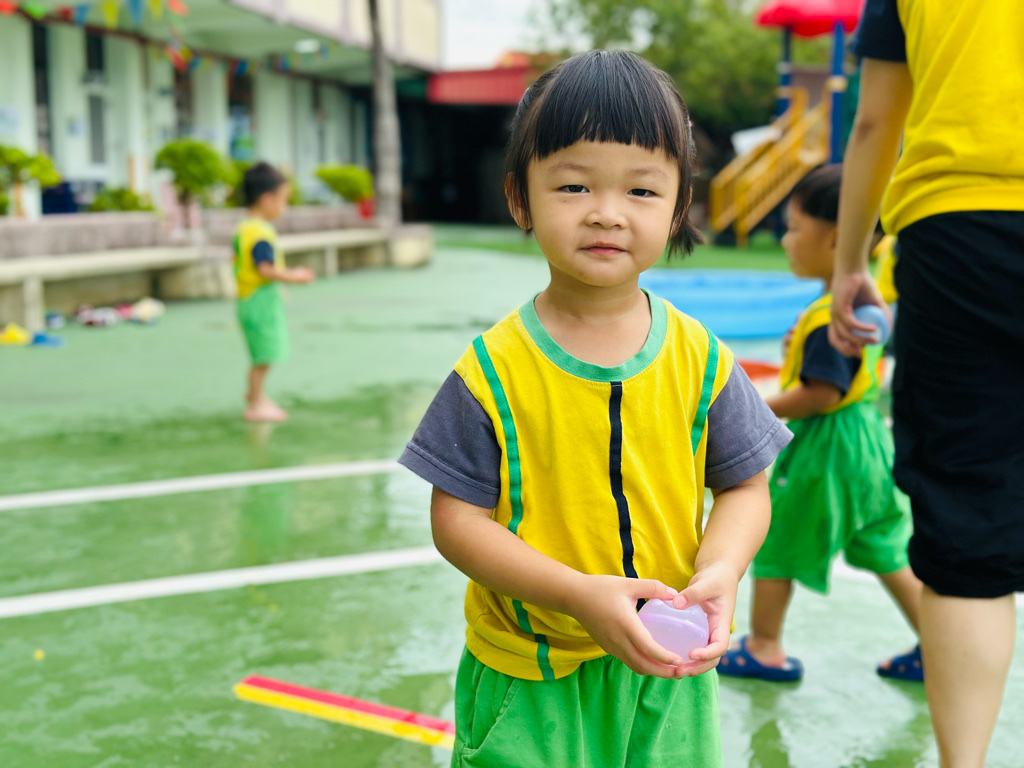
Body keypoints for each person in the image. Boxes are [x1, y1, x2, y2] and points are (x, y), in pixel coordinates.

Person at [398, 50, 792, 767]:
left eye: (641, 190)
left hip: (667, 671)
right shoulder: (491, 371)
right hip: (530, 677)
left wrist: (722, 570)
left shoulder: (701, 358)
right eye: (574, 185)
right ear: (520, 198)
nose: (607, 213)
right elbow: (457, 523)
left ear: (678, 205)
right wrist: (578, 594)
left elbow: (746, 487)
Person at [829, 2, 1024, 765]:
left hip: (960, 231)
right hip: (958, 227)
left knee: (966, 522)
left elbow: (875, 121)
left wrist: (850, 262)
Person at [717, 165, 923, 683]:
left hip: (827, 452)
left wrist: (758, 409)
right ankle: (939, 644)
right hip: (868, 444)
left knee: (779, 535)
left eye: (793, 227)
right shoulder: (864, 303)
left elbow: (821, 394)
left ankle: (764, 647)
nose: (785, 240)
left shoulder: (833, 313)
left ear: (835, 239)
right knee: (882, 542)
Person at [234, 162, 313, 423]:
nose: (284, 207)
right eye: (283, 200)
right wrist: (295, 276)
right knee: (264, 356)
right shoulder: (259, 232)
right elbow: (265, 268)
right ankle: (255, 403)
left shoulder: (246, 227)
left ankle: (256, 395)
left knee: (264, 353)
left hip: (253, 300)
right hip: (258, 303)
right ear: (267, 199)